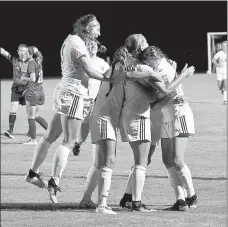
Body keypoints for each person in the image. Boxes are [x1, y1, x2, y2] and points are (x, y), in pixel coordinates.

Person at [24, 14, 114, 202]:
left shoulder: (71, 40)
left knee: (49, 136)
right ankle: (54, 181)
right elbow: (89, 71)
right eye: (96, 28)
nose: (99, 33)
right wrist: (110, 78)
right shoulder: (76, 42)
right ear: (87, 28)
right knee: (69, 141)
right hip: (74, 94)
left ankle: (33, 173)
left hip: (66, 91)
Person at [129, 45, 197, 211]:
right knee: (168, 160)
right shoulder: (160, 67)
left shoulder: (161, 70)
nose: (147, 66)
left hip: (179, 113)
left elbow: (165, 92)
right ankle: (180, 201)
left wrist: (181, 76)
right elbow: (158, 97)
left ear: (153, 58)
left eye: (147, 62)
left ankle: (192, 197)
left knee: (177, 160)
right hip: (168, 117)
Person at [21, 46, 48, 145]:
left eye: (27, 52)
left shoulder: (32, 63)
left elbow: (32, 78)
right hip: (39, 91)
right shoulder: (38, 62)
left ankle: (33, 140)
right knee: (36, 116)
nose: (25, 54)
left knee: (31, 117)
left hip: (33, 93)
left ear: (31, 54)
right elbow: (38, 79)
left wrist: (24, 78)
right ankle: (51, 131)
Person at [0, 44, 28, 139]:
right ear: (18, 51)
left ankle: (37, 130)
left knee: (32, 112)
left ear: (27, 52)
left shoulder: (31, 62)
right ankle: (10, 130)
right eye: (21, 50)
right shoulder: (14, 60)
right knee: (13, 107)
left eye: (24, 51)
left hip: (26, 88)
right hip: (15, 88)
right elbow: (4, 52)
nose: (22, 52)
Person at [212, 40, 227, 104]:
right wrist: (217, 64)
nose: (224, 47)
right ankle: (223, 90)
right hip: (219, 72)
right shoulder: (219, 53)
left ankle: (225, 100)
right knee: (220, 87)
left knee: (226, 86)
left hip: (226, 72)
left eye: (225, 46)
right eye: (223, 46)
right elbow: (213, 60)